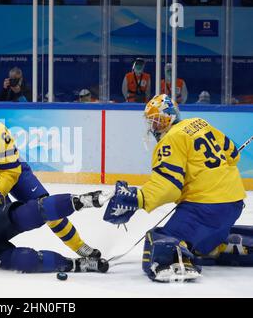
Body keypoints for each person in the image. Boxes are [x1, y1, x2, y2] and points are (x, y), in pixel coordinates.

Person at [0, 93, 101, 258]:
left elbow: (10, 171)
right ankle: (3, 255)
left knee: (45, 205)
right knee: (2, 222)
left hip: (12, 171)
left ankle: (79, 246)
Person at [103, 94, 247, 283]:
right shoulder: (199, 122)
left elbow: (168, 187)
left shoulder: (170, 139)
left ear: (169, 116)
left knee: (157, 241)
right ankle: (217, 245)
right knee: (201, 230)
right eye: (152, 122)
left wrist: (138, 198)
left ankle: (179, 260)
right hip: (235, 204)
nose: (154, 127)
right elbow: (233, 154)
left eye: (157, 121)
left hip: (205, 208)